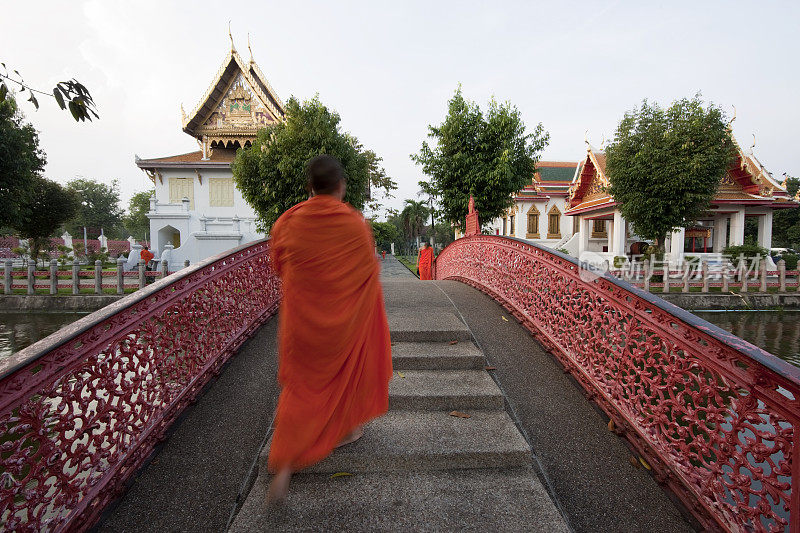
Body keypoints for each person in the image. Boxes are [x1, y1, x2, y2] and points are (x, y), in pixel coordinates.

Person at [266, 154, 393, 503]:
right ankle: (345, 428)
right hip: (342, 325)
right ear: (341, 186)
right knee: (346, 372)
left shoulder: (287, 223)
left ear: (309, 186)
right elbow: (368, 274)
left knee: (302, 385)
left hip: (303, 324)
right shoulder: (353, 224)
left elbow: (279, 266)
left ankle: (286, 463)